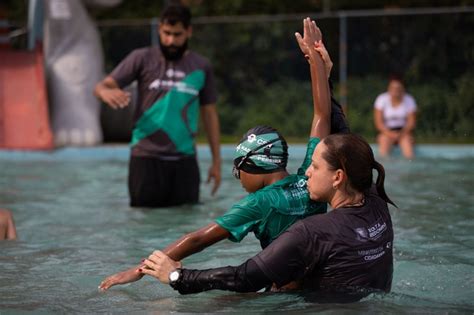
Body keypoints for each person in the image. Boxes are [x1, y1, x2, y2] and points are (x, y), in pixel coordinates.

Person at [139, 19, 395, 301]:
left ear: (338, 176)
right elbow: (338, 133)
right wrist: (321, 72)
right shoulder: (375, 201)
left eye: (315, 166)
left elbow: (243, 277)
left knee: (224, 302)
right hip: (369, 301)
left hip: (313, 307)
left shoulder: (310, 231)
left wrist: (176, 275)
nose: (307, 172)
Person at [98, 18, 348, 292]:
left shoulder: (258, 203)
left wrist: (139, 269)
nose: (239, 180)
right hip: (324, 284)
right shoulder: (312, 183)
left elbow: (197, 239)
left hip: (283, 293)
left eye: (238, 170)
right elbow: (322, 114)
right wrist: (315, 59)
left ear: (253, 166)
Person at [94, 4, 221, 207]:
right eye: (166, 33)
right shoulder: (141, 59)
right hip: (145, 159)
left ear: (189, 31)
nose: (171, 40)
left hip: (185, 162)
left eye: (177, 34)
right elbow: (103, 85)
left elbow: (210, 113)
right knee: (144, 225)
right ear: (159, 29)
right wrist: (105, 92)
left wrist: (217, 162)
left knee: (186, 224)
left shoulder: (201, 66)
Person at [374, 76, 417, 159]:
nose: (395, 90)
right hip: (386, 132)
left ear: (403, 89)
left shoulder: (409, 100)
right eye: (393, 88)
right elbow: (378, 123)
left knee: (408, 146)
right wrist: (390, 134)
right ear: (389, 88)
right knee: (384, 143)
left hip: (404, 132)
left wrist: (400, 134)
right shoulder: (381, 99)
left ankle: (409, 169)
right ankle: (385, 169)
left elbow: (411, 123)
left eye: (398, 88)